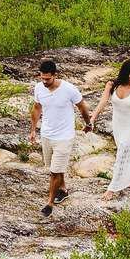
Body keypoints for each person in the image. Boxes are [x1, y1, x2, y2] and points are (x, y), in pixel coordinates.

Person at [28, 59, 92, 217]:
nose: (44, 81)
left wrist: (88, 123)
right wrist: (33, 130)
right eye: (42, 78)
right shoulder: (39, 88)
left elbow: (82, 106)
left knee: (54, 172)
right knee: (53, 167)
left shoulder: (69, 89)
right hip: (47, 134)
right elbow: (37, 108)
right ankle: (63, 190)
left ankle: (49, 203)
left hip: (64, 136)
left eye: (47, 79)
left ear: (55, 75)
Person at [91, 59, 130, 200]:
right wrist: (93, 118)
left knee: (123, 151)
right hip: (118, 125)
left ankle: (112, 188)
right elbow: (103, 102)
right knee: (126, 152)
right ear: (124, 72)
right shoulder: (112, 85)